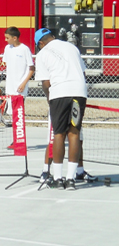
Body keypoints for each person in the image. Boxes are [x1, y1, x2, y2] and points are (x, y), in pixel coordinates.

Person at [34, 27, 87, 190]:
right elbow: (83, 72)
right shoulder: (72, 47)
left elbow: (45, 83)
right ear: (53, 36)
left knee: (58, 134)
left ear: (41, 43)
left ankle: (58, 178)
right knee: (74, 133)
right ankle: (71, 179)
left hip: (59, 92)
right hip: (79, 92)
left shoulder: (42, 54)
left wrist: (49, 99)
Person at [2, 26, 35, 150]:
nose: (6, 40)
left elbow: (31, 69)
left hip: (20, 89)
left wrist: (23, 83)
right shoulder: (7, 48)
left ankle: (19, 141)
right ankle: (16, 140)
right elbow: (8, 64)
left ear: (15, 38)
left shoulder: (25, 49)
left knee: (18, 116)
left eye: (8, 38)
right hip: (10, 88)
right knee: (12, 115)